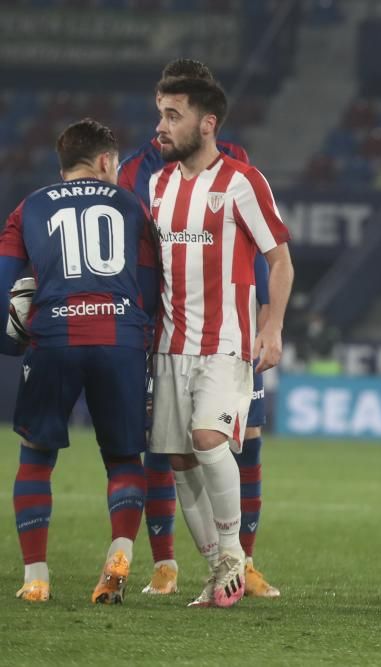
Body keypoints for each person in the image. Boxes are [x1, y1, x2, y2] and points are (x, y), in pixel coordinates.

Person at [118, 58, 279, 599]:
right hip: (170, 344)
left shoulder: (241, 181)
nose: (160, 127)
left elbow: (281, 259)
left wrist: (272, 326)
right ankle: (218, 572)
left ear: (207, 123)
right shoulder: (158, 185)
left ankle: (234, 554)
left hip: (225, 341)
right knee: (180, 459)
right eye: (160, 114)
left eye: (172, 115)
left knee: (209, 439)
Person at [0, 119, 160, 603]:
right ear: (108, 161)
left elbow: (5, 282)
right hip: (120, 340)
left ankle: (36, 578)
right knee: (123, 459)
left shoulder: (28, 208)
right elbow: (151, 288)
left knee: (36, 457)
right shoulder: (131, 205)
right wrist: (140, 336)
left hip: (53, 339)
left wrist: (11, 344)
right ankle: (119, 553)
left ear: (63, 163)